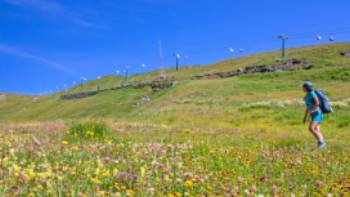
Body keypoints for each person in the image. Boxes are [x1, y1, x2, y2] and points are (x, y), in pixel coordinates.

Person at [302, 82, 326, 149]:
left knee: (311, 128)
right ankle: (321, 144)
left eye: (303, 87)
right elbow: (307, 107)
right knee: (316, 129)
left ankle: (322, 143)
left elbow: (317, 103)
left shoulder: (312, 93)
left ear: (306, 88)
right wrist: (305, 117)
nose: (302, 89)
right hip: (313, 114)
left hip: (317, 114)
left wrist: (313, 110)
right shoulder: (306, 96)